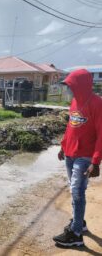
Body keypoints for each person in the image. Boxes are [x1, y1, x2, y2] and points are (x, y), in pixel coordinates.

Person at [53, 69, 102, 247]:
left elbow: (101, 135)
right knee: (75, 192)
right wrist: (62, 146)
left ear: (80, 86)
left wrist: (96, 162)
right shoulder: (74, 101)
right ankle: (79, 223)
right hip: (70, 154)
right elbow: (71, 126)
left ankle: (75, 235)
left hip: (85, 156)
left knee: (77, 192)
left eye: (70, 86)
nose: (68, 89)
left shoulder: (97, 104)